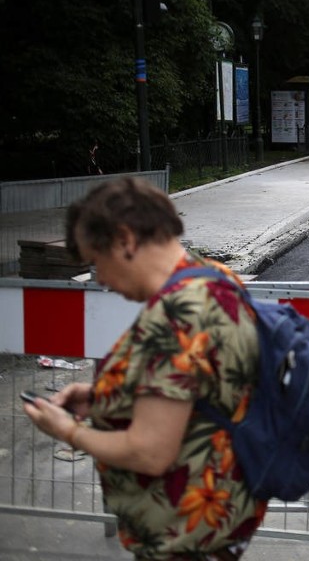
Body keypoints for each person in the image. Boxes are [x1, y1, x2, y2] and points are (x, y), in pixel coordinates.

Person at [22, 177, 267, 560]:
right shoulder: (216, 279)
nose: (99, 278)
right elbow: (199, 391)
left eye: (96, 260)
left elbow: (150, 453)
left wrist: (68, 431)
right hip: (220, 512)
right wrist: (103, 397)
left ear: (125, 240)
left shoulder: (175, 317)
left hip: (180, 532)